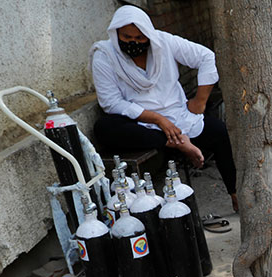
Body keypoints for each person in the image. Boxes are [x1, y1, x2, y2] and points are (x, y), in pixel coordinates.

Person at [89, 5, 237, 211]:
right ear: (116, 34)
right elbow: (111, 102)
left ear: (148, 35)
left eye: (140, 39)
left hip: (178, 115)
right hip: (140, 122)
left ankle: (235, 193)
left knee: (219, 131)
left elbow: (206, 57)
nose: (134, 43)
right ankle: (177, 143)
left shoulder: (164, 42)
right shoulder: (105, 55)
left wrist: (199, 102)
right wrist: (158, 120)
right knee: (104, 128)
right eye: (127, 37)